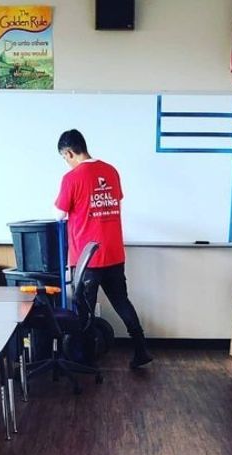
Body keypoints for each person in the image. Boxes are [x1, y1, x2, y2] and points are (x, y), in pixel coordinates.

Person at [55, 129, 153, 370]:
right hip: (113, 253)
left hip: (87, 259)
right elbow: (115, 200)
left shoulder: (72, 178)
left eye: (64, 158)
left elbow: (59, 213)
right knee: (122, 302)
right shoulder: (110, 171)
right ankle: (141, 350)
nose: (66, 163)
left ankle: (87, 360)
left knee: (84, 310)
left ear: (69, 153)